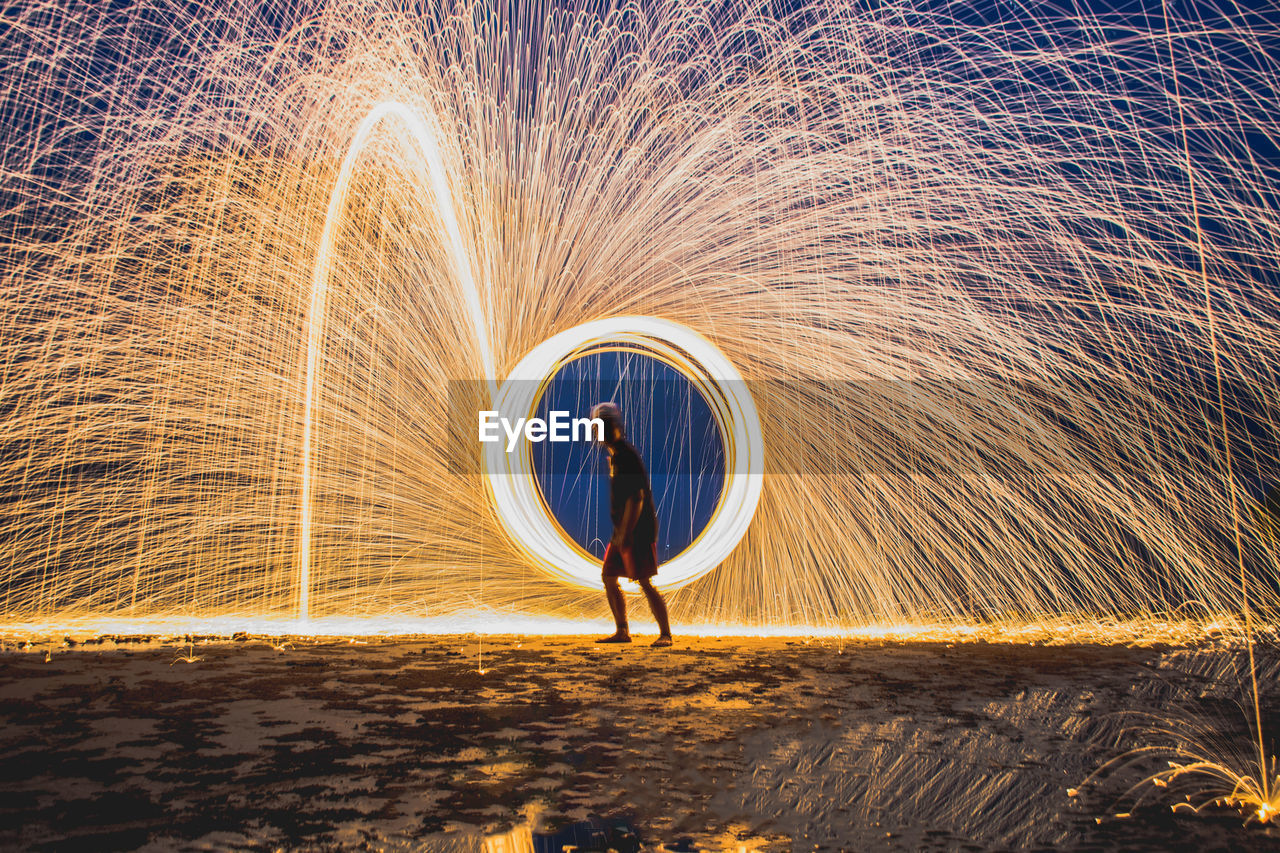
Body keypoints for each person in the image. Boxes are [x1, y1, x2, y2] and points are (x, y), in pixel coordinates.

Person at [590, 402, 672, 647]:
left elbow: (637, 497)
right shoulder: (616, 456)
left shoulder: (626, 455)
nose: (599, 434)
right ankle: (622, 631)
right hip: (623, 530)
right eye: (597, 429)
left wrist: (626, 532)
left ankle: (666, 634)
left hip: (637, 529)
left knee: (644, 581)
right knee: (608, 576)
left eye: (602, 428)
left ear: (614, 427)